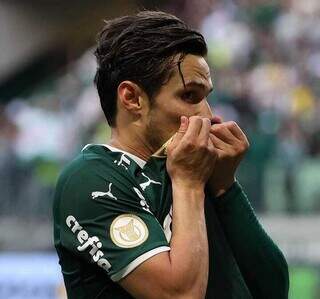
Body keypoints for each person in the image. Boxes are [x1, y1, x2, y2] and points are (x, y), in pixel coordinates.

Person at [53, 10, 289, 299]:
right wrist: (189, 184)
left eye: (206, 97)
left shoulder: (192, 168)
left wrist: (226, 188)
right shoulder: (91, 179)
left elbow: (273, 290)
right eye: (189, 96)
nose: (207, 114)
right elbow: (180, 295)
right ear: (132, 98)